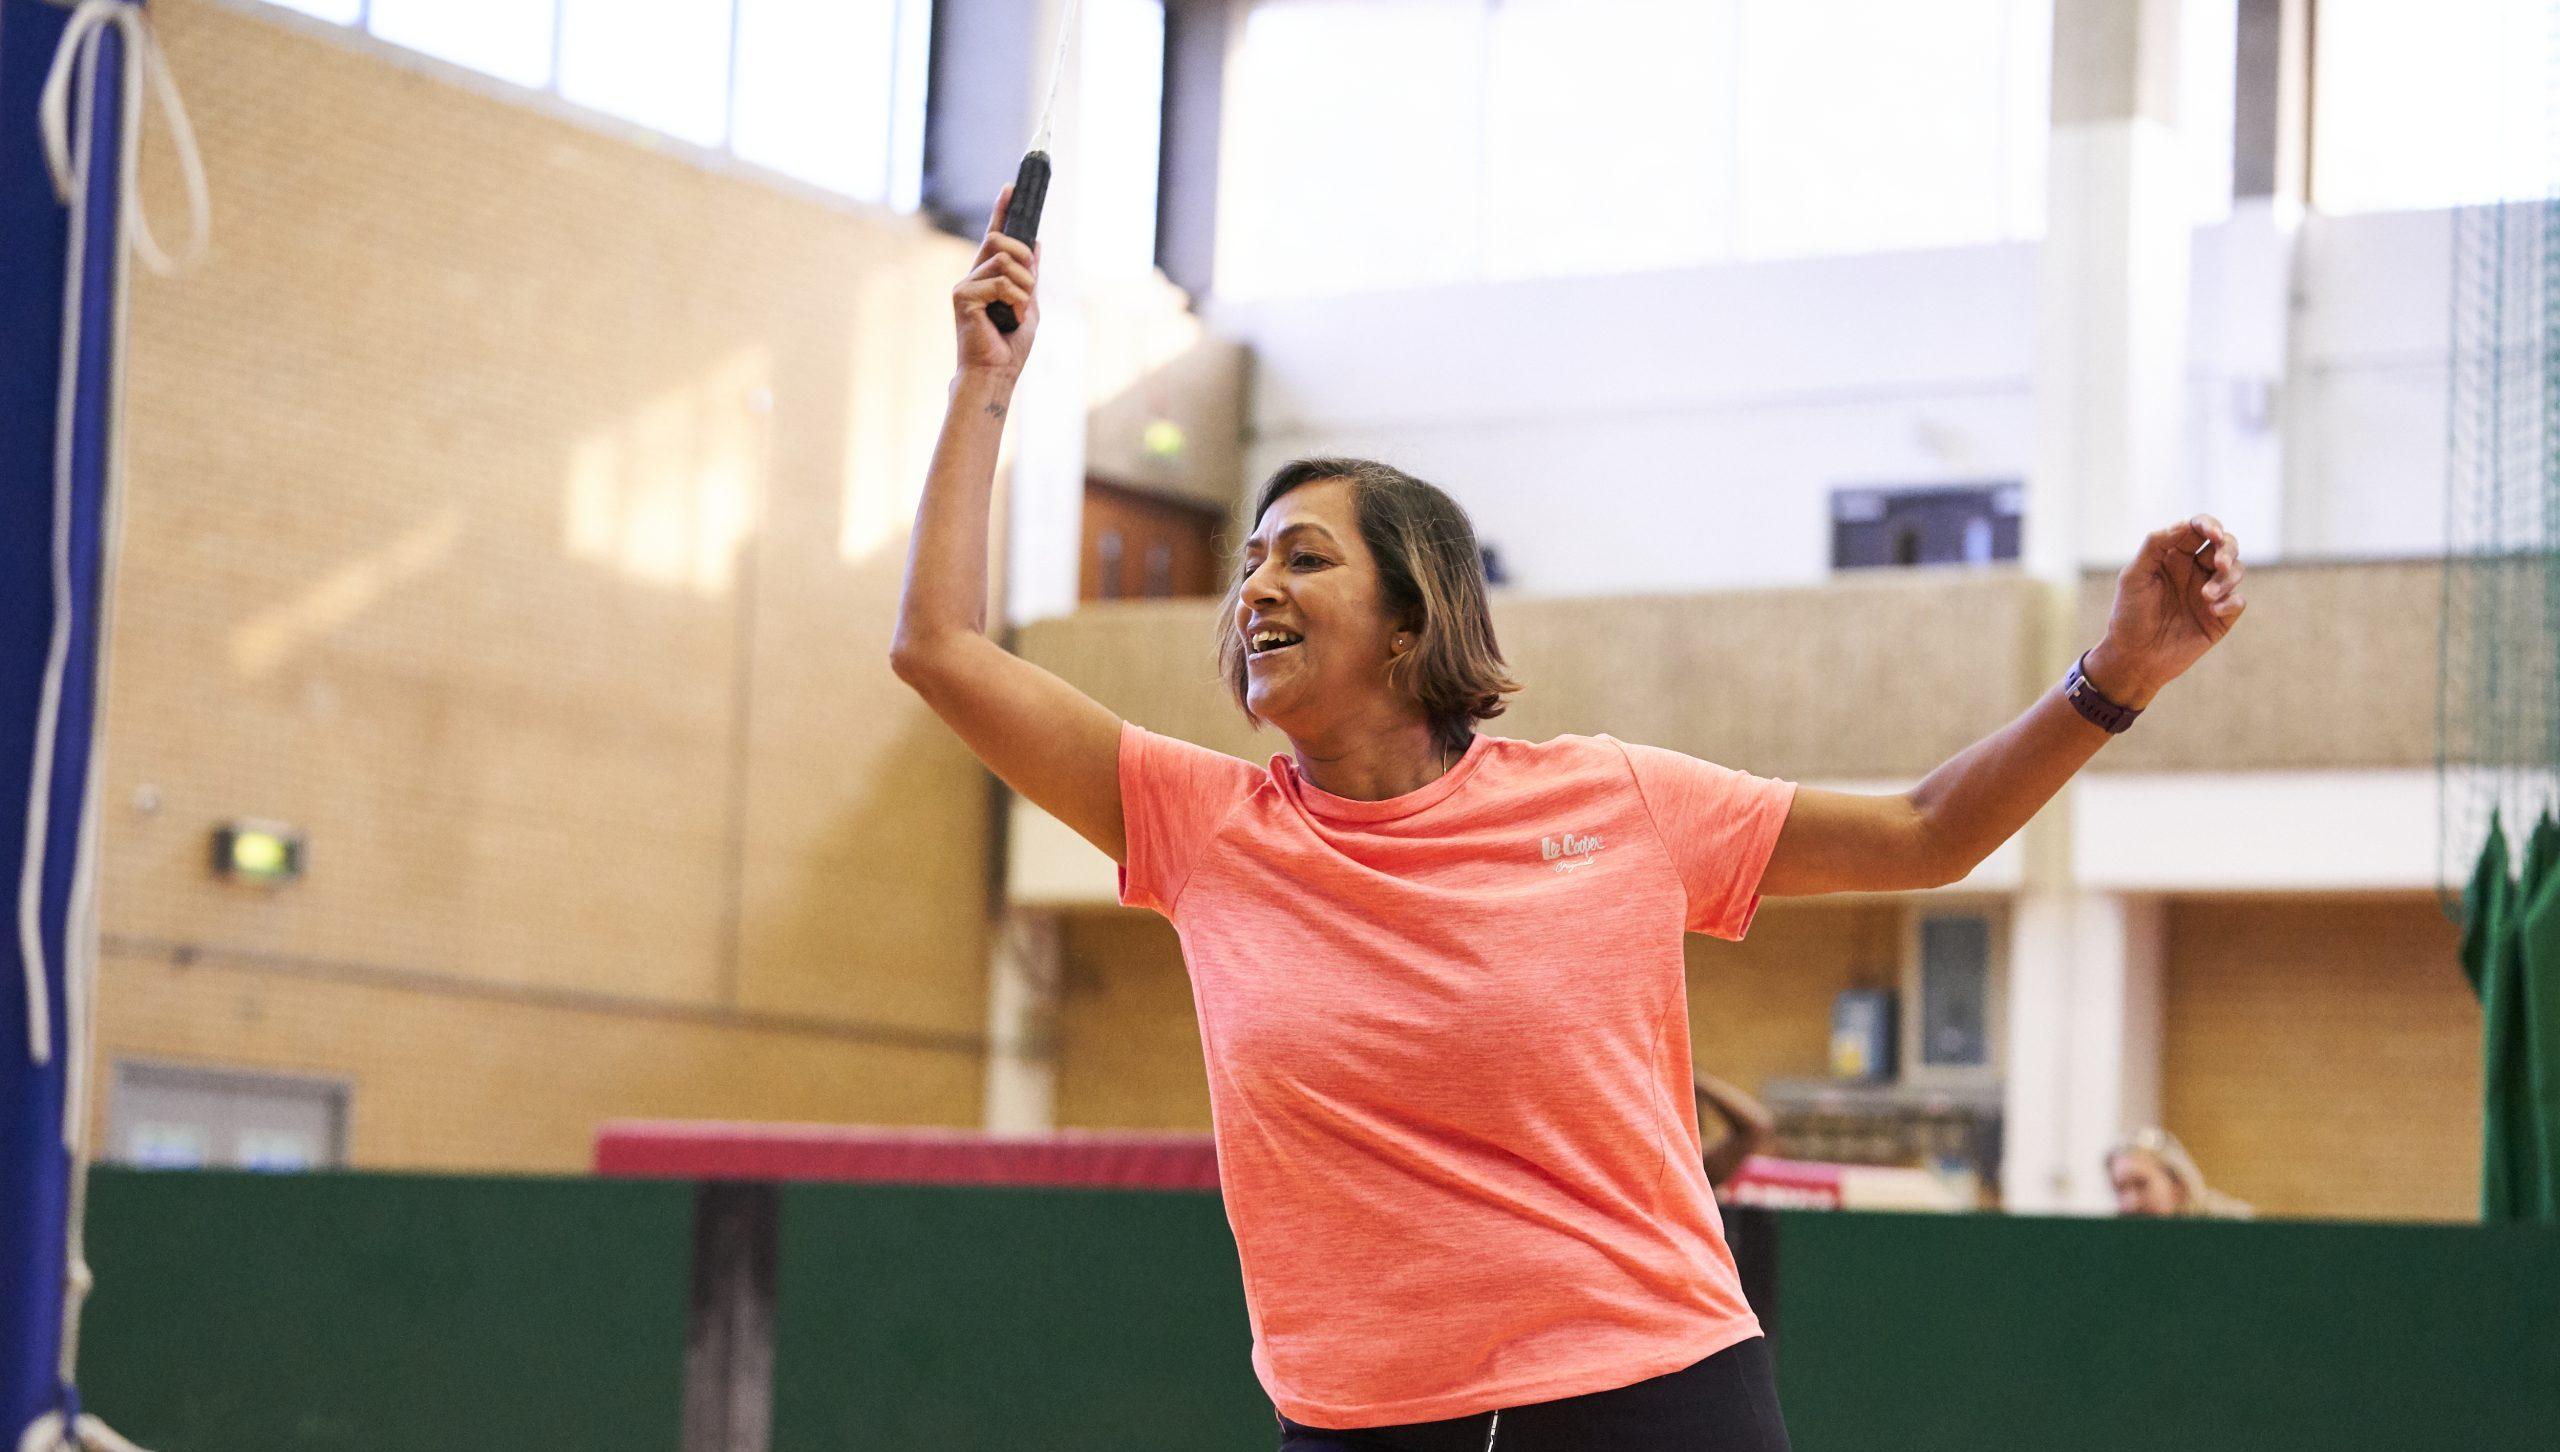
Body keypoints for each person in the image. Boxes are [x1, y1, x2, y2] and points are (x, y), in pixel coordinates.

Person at [891, 189, 2250, 1452]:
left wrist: (2116, 674)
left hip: (1647, 1395)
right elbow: (942, 646)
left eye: (1303, 557)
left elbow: (1928, 833)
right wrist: (982, 392)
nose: (1256, 588)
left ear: (1414, 618)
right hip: (1361, 1419)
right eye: (1246, 563)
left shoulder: (1613, 801)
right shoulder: (1203, 829)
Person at [2108, 1126, 2255, 1219]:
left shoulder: (2234, 1226)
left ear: (2178, 1186)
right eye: (2120, 1188)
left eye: (2141, 1184)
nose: (2131, 1203)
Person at [1694, 1070, 1777, 1193]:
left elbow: (1756, 1126)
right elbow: (1756, 1126)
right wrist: (1696, 1080)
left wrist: (1694, 1079)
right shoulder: (1687, 1163)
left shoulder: (1695, 1161)